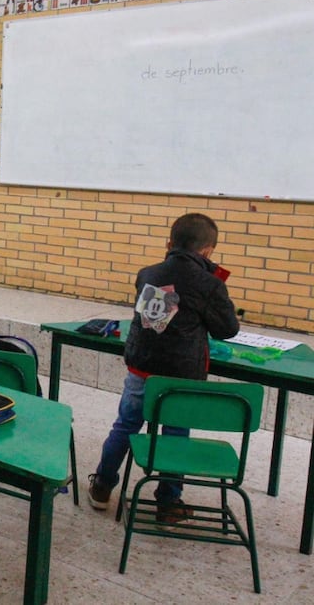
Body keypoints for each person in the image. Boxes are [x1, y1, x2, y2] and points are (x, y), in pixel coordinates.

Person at [88, 213, 240, 522]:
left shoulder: (149, 273)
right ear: (208, 250)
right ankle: (169, 502)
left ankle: (102, 485)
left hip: (142, 372)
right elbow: (227, 329)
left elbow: (154, 324)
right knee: (175, 433)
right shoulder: (209, 284)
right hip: (181, 379)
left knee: (125, 426)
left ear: (169, 243)